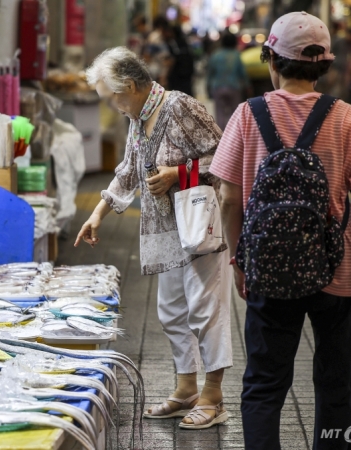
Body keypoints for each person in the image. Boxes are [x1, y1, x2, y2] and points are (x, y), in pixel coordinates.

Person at [211, 12, 351, 449]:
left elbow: (227, 197)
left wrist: (240, 257)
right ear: (323, 64)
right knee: (337, 384)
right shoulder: (347, 118)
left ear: (271, 61)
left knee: (264, 383)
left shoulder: (247, 115)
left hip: (269, 268)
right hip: (339, 271)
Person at [76, 47, 233, 429]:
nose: (113, 105)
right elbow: (128, 171)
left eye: (114, 96)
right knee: (172, 311)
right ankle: (185, 390)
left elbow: (226, 155)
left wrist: (179, 174)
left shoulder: (179, 106)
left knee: (205, 309)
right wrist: (97, 213)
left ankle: (213, 396)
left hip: (198, 225)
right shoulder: (137, 118)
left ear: (130, 85)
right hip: (165, 230)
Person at [207, 32, 250, 130]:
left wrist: (208, 87)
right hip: (234, 87)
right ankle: (233, 135)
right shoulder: (236, 55)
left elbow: (210, 73)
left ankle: (221, 136)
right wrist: (248, 86)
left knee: (220, 113)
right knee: (235, 113)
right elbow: (242, 73)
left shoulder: (215, 55)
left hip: (217, 87)